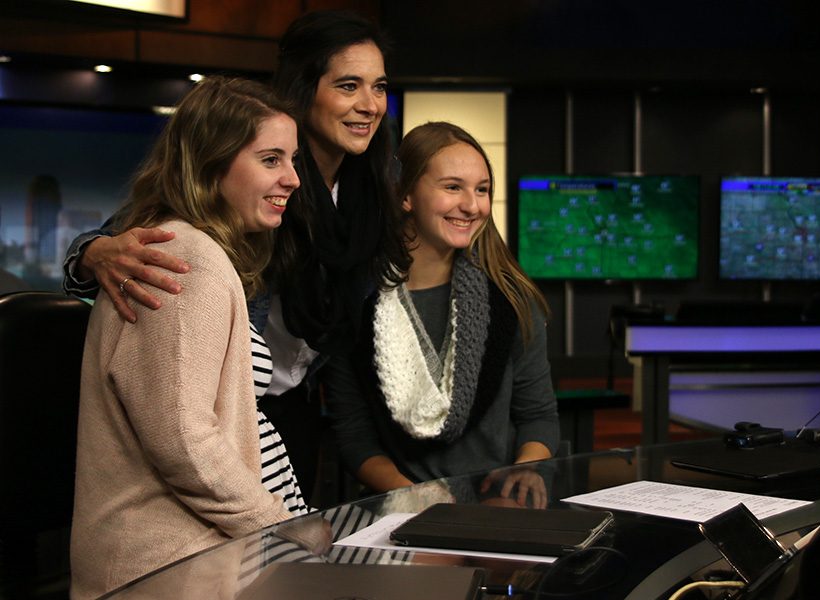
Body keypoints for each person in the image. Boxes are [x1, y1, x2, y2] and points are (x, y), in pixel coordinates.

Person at [60, 10, 410, 494]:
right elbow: (130, 233)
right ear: (305, 90)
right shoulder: (253, 174)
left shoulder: (376, 179)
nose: (370, 105)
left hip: (299, 398)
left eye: (379, 86)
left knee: (289, 552)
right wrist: (93, 253)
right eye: (348, 86)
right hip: (227, 402)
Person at [70, 76, 309, 599]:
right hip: (171, 569)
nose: (292, 178)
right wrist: (279, 528)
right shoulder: (185, 258)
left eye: (292, 160)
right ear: (210, 163)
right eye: (271, 159)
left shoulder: (196, 250)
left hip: (199, 557)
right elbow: (184, 439)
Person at [323, 122, 560, 506]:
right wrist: (414, 497)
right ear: (406, 196)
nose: (472, 206)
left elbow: (539, 416)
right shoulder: (356, 301)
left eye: (481, 189)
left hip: (497, 507)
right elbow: (354, 434)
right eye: (453, 187)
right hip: (401, 513)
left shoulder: (511, 298)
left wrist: (525, 469)